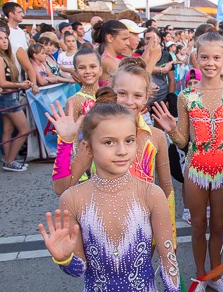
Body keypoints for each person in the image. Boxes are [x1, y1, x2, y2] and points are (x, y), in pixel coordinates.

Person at [38, 95, 185, 292]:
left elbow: (168, 257)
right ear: (88, 147)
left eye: (129, 141)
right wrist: (64, 259)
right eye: (109, 142)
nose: (121, 151)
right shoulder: (73, 198)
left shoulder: (150, 194)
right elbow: (79, 270)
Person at [152, 32, 223, 292]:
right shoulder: (186, 96)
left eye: (216, 57)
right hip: (195, 170)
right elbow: (183, 141)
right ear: (195, 58)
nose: (210, 63)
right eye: (204, 57)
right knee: (198, 225)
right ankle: (201, 276)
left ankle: (216, 275)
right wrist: (171, 130)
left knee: (218, 225)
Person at [48, 62, 173, 205]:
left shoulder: (156, 136)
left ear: (146, 97)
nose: (129, 101)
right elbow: (61, 187)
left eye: (137, 95)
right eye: (122, 94)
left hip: (144, 217)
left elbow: (167, 189)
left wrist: (168, 220)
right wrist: (65, 143)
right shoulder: (95, 135)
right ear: (112, 91)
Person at [0, 28, 37, 172]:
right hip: (8, 98)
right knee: (24, 130)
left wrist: (20, 84)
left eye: (5, 38)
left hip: (7, 97)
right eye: (0, 39)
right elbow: (2, 83)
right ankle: (10, 160)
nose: (4, 41)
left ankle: (8, 159)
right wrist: (21, 85)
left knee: (8, 129)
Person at [0, 2, 36, 84]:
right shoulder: (3, 32)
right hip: (6, 76)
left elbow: (25, 53)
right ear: (11, 14)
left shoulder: (21, 32)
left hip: (19, 75)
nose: (23, 15)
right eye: (19, 12)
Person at [63, 48, 102, 123]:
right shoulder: (73, 102)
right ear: (76, 73)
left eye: (92, 66)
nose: (88, 71)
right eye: (82, 68)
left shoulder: (109, 95)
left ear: (100, 70)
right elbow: (71, 129)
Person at [93, 20, 130, 87]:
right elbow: (130, 83)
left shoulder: (114, 60)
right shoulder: (107, 62)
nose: (128, 43)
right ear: (110, 38)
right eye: (124, 39)